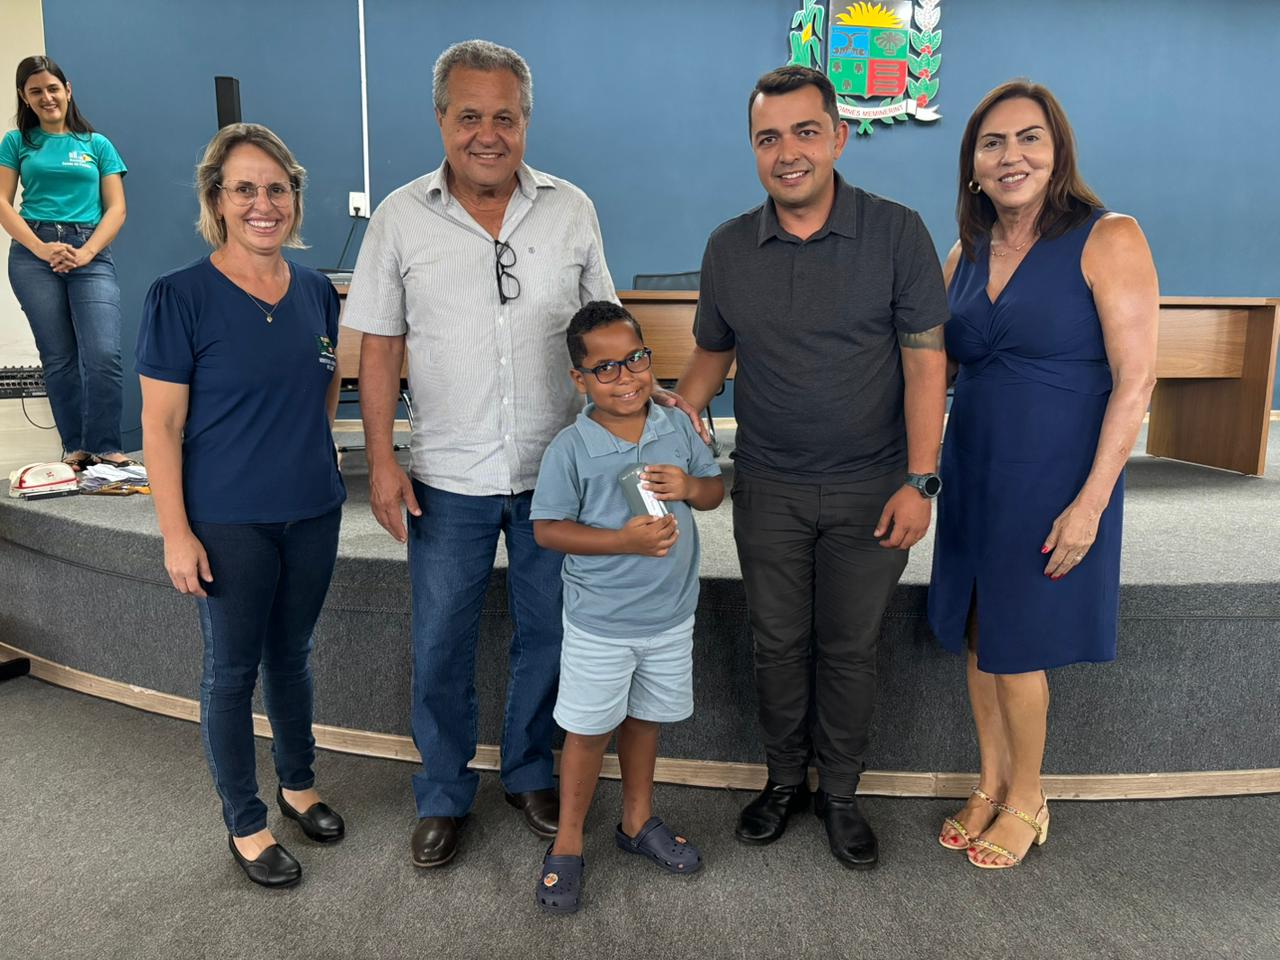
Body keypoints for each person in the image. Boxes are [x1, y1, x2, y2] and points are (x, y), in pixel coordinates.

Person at [665, 65, 949, 870]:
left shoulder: (897, 233)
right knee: (777, 645)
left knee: (851, 648)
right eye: (768, 138)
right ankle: (785, 780)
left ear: (838, 138)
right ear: (753, 149)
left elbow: (926, 364)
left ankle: (842, 794)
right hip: (769, 488)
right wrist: (662, 426)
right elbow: (711, 357)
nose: (787, 152)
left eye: (804, 132)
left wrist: (921, 481)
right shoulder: (728, 247)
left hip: (873, 488)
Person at [342, 39, 616, 868]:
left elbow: (603, 333)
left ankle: (530, 772)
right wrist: (381, 460)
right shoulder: (399, 218)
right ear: (441, 120)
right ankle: (443, 791)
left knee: (549, 637)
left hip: (554, 476)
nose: (487, 134)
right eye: (469, 116)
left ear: (526, 120)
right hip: (446, 479)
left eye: (505, 116)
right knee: (440, 644)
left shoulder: (572, 209)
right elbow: (379, 348)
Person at [929, 80, 1158, 869]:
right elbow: (934, 370)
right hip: (974, 468)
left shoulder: (1109, 236)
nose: (1011, 155)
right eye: (992, 143)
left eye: (1029, 138)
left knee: (1019, 643)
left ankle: (1029, 795)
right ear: (973, 164)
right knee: (978, 633)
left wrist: (1091, 503)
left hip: (1054, 475)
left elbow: (1136, 382)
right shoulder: (962, 253)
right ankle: (991, 783)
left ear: (1057, 151)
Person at [137, 123, 347, 888]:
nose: (264, 204)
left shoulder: (318, 291)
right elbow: (160, 426)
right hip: (228, 521)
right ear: (217, 200)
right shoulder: (179, 296)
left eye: (277, 189)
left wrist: (306, 451)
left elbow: (325, 385)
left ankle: (298, 784)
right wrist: (175, 533)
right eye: (245, 189)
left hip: (313, 510)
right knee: (231, 672)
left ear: (295, 198)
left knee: (292, 655)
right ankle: (246, 821)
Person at [529, 301, 723, 914]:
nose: (626, 377)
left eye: (636, 360)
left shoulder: (676, 426)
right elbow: (547, 530)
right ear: (579, 379)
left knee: (645, 721)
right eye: (606, 368)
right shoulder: (571, 447)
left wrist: (691, 487)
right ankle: (568, 840)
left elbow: (715, 491)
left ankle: (637, 821)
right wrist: (621, 541)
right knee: (588, 732)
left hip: (670, 615)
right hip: (602, 625)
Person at [0, 55, 129, 471]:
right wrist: (41, 248)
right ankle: (75, 447)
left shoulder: (97, 144)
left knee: (103, 354)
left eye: (52, 88)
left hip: (89, 250)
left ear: (67, 90)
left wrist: (87, 252)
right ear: (24, 96)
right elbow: (2, 203)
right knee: (58, 357)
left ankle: (105, 446)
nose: (46, 97)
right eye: (35, 91)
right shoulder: (16, 142)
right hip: (33, 255)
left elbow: (116, 209)